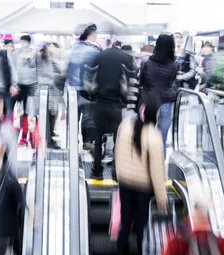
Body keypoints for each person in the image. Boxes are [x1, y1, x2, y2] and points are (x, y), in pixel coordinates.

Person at [115, 95, 167, 255]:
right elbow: (157, 171)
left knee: (125, 221)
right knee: (141, 225)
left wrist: (119, 174)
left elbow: (117, 153)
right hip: (143, 188)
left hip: (124, 183)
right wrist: (161, 198)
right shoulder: (154, 135)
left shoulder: (125, 126)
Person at [88, 38, 136, 178]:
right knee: (118, 140)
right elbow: (132, 81)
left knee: (98, 140)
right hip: (116, 105)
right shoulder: (126, 58)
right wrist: (129, 102)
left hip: (100, 103)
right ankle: (116, 172)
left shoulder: (99, 56)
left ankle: (97, 171)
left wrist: (92, 96)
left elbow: (90, 79)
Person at [66, 23, 101, 150]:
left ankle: (72, 140)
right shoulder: (94, 51)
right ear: (90, 34)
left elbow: (64, 70)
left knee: (73, 117)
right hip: (89, 91)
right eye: (96, 33)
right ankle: (87, 141)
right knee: (88, 118)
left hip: (72, 90)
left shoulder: (71, 50)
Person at [140, 33, 177, 151]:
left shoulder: (147, 63)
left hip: (150, 102)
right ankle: (160, 166)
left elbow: (142, 81)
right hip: (167, 102)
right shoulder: (174, 65)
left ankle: (147, 163)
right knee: (162, 139)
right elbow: (172, 81)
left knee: (147, 135)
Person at [35, 43, 62, 150]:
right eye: (48, 48)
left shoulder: (50, 59)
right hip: (43, 91)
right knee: (45, 117)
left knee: (52, 115)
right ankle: (48, 141)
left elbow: (59, 70)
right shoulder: (38, 56)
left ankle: (49, 137)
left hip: (50, 90)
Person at [13, 35, 39, 147]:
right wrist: (14, 84)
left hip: (33, 85)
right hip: (20, 85)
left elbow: (38, 68)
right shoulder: (16, 54)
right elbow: (13, 68)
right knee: (22, 113)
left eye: (25, 41)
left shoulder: (35, 54)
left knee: (32, 113)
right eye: (22, 41)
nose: (23, 44)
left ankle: (33, 137)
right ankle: (23, 137)